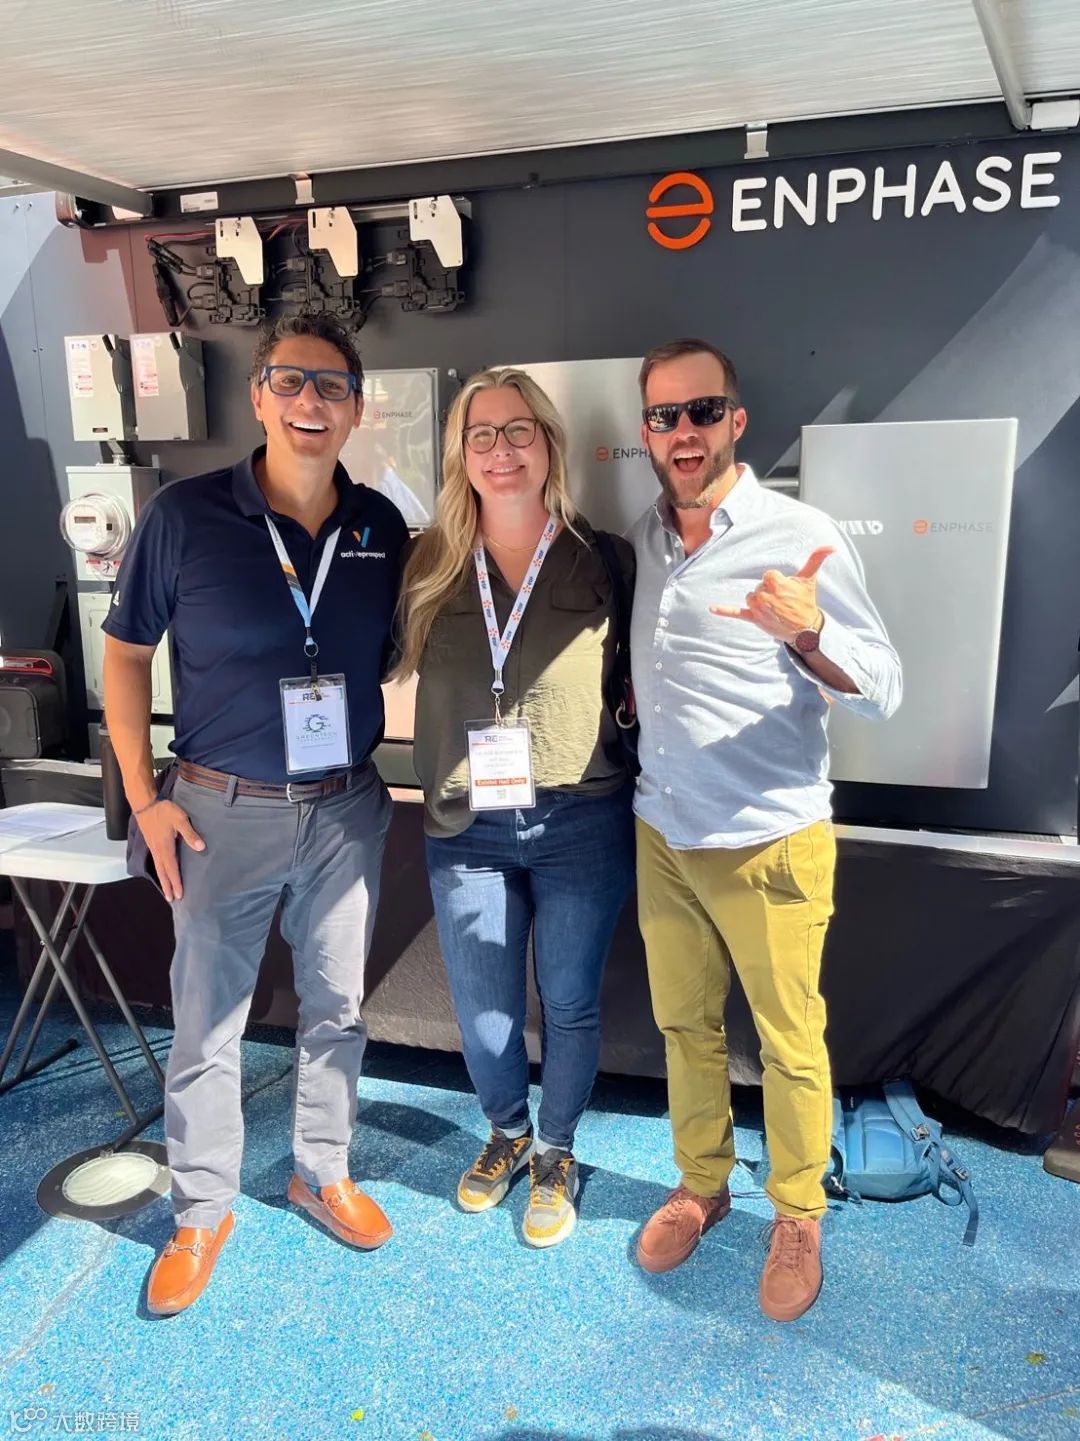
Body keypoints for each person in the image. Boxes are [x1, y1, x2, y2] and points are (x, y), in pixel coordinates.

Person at [102, 313, 408, 1314]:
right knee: (207, 1024)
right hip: (216, 813)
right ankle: (200, 1209)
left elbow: (390, 649)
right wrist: (143, 800)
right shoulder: (183, 516)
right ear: (258, 396)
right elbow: (126, 654)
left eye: (331, 386)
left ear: (355, 408)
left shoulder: (380, 527)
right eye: (290, 381)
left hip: (345, 810)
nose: (310, 402)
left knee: (339, 1008)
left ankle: (322, 1169)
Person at [628, 338, 901, 1320]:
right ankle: (702, 1183)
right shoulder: (646, 537)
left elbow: (885, 688)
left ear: (736, 420)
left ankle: (796, 1213)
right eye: (664, 415)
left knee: (790, 1041)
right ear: (647, 432)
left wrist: (809, 634)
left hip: (770, 839)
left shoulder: (798, 532)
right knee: (684, 1027)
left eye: (703, 411)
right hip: (664, 833)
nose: (684, 431)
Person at [393, 367, 636, 1247]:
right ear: (460, 453)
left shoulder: (605, 558)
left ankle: (558, 1150)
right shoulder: (424, 562)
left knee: (568, 1002)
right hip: (467, 827)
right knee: (484, 1011)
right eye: (481, 434)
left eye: (518, 429)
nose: (502, 450)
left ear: (549, 443)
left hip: (582, 818)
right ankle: (507, 1131)